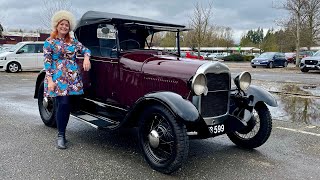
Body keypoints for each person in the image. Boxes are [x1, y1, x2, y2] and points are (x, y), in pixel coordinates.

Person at [43, 10, 91, 149]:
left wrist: (87, 58)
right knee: (63, 103)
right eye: (62, 24)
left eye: (67, 25)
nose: (64, 27)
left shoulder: (73, 41)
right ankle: (61, 135)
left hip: (72, 77)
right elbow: (47, 62)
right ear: (57, 25)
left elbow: (86, 50)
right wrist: (50, 80)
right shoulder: (49, 42)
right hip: (57, 78)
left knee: (68, 105)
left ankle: (62, 130)